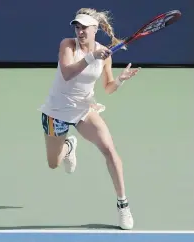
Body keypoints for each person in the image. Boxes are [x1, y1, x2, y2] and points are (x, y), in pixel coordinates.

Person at [39, 8, 140, 230]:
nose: (80, 31)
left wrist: (120, 80)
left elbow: (107, 87)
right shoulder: (68, 44)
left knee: (110, 150)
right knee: (53, 164)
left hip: (84, 109)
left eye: (85, 27)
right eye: (77, 26)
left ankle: (123, 205)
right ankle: (68, 145)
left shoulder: (105, 54)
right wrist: (92, 57)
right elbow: (67, 73)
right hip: (56, 111)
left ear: (95, 29)